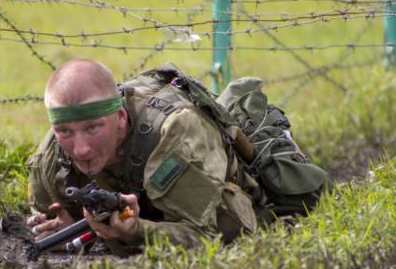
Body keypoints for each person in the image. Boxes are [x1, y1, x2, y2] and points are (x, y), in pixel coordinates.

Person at [25, 59, 260, 255]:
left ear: (120, 118)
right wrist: (69, 227)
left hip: (215, 198)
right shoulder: (50, 158)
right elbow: (46, 219)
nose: (80, 150)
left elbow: (204, 240)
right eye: (65, 131)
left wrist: (137, 231)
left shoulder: (176, 135)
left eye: (93, 128)